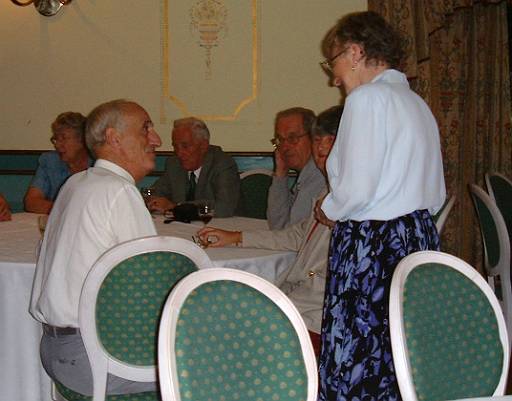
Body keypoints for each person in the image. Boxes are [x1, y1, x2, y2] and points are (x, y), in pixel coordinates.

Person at [315, 12, 446, 401]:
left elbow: (357, 186)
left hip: (372, 244)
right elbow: (436, 192)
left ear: (355, 52)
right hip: (417, 237)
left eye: (333, 62)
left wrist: (330, 207)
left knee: (359, 357)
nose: (334, 77)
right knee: (401, 357)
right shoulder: (415, 103)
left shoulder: (367, 99)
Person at [30, 99, 162, 396]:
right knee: (224, 359)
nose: (156, 140)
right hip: (94, 357)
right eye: (146, 129)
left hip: (55, 351)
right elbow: (151, 294)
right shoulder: (119, 190)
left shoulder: (76, 183)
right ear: (114, 138)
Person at [198, 105, 343, 356]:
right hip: (295, 299)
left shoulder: (352, 199)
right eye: (319, 140)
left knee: (219, 322)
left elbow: (317, 283)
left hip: (313, 316)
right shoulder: (328, 187)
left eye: (330, 141)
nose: (322, 148)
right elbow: (295, 233)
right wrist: (237, 237)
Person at [148, 117, 241, 217]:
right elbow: (156, 192)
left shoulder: (223, 164)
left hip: (225, 227)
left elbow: (224, 207)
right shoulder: (174, 163)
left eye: (185, 146)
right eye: (175, 146)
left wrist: (176, 207)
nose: (179, 153)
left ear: (203, 146)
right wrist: (153, 201)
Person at [267, 107, 326, 229]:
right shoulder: (306, 173)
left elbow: (291, 232)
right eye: (280, 140)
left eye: (292, 138)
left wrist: (239, 237)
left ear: (313, 138)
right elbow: (277, 225)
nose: (284, 147)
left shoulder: (319, 176)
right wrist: (281, 174)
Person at [24, 112, 93, 214]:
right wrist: (65, 211)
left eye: (63, 138)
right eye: (56, 139)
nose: (57, 145)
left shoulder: (98, 165)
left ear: (82, 140)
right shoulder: (50, 161)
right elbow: (31, 202)